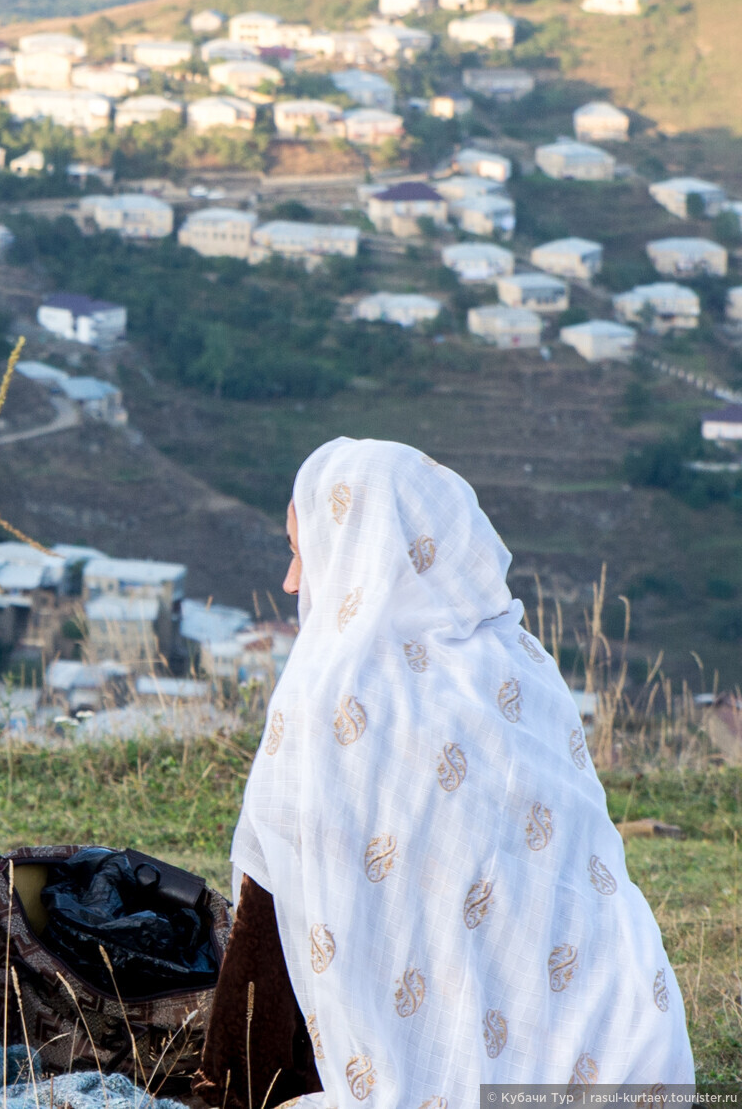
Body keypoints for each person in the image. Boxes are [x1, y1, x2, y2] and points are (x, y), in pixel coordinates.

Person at [202, 438, 691, 1106]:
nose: (292, 582)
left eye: (302, 551)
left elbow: (270, 914)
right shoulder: (523, 667)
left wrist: (228, 1085)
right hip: (632, 1048)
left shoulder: (335, 699)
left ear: (361, 555)